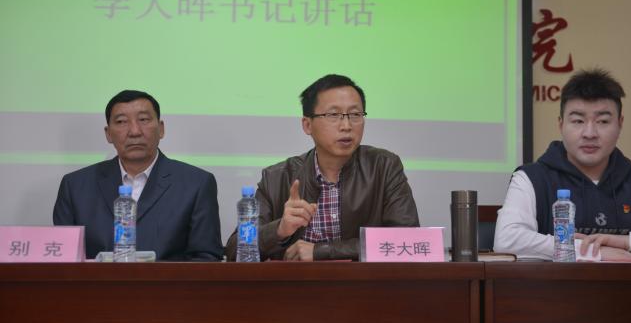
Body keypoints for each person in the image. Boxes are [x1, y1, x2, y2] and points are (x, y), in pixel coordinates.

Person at [225, 74, 419, 261]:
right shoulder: (277, 177)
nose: (346, 125)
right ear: (307, 125)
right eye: (333, 115)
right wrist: (280, 229)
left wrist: (321, 251)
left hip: (365, 283)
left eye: (355, 114)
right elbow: (235, 250)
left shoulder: (384, 167)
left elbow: (408, 241)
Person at [53, 90, 223, 261]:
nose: (134, 131)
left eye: (143, 120)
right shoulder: (75, 186)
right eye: (121, 122)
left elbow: (206, 258)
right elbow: (62, 259)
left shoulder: (196, 184)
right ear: (108, 133)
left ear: (161, 129)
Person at [494, 69, 631, 260]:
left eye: (603, 121)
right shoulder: (531, 178)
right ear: (561, 124)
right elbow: (506, 240)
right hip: (553, 282)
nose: (589, 133)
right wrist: (592, 252)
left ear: (620, 124)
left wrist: (628, 242)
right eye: (578, 121)